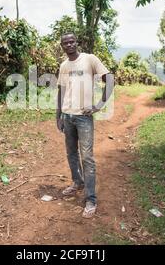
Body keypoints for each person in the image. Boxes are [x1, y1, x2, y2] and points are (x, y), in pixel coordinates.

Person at [56, 33, 114, 218]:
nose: (69, 44)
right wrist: (58, 114)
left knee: (87, 157)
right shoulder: (64, 66)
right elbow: (61, 90)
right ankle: (77, 182)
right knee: (71, 153)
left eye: (72, 41)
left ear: (77, 42)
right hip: (68, 116)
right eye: (66, 43)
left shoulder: (90, 59)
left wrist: (99, 105)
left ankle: (91, 199)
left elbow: (110, 79)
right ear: (62, 46)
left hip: (83, 118)